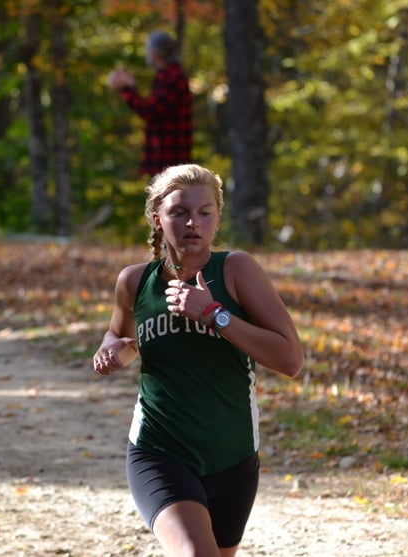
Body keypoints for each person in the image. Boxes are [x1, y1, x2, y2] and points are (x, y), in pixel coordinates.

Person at [92, 164, 304, 556]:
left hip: (233, 457)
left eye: (205, 212)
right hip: (159, 450)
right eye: (179, 212)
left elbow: (291, 359)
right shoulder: (135, 281)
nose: (193, 222)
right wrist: (110, 351)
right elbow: (122, 338)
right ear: (158, 218)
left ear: (218, 218)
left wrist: (213, 314)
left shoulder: (236, 270)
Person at [108, 31, 193, 177]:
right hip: (168, 162)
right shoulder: (169, 76)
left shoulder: (171, 77)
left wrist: (127, 88)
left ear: (155, 52)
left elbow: (150, 111)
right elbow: (154, 110)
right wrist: (130, 86)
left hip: (170, 163)